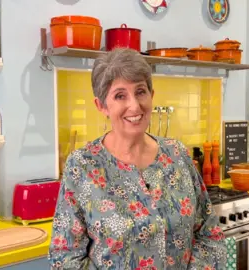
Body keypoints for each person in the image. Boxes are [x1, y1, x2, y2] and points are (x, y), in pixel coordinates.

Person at [49, 48, 227, 269]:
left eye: (140, 91)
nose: (134, 105)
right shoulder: (82, 166)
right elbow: (64, 258)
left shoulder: (177, 154)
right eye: (120, 95)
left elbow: (209, 234)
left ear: (151, 95)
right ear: (102, 106)